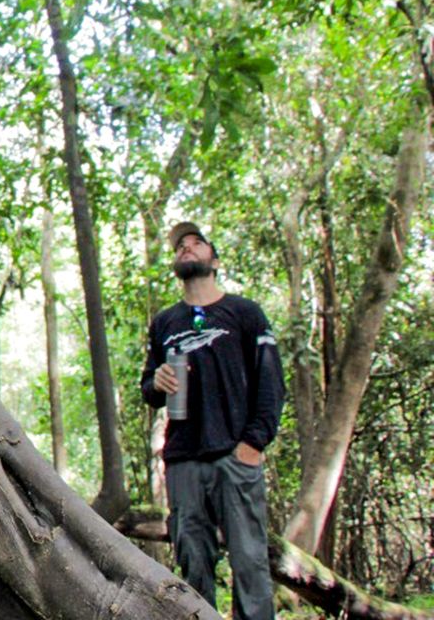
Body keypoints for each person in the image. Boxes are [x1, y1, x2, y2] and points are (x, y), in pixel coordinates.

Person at [141, 221, 285, 620]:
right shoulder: (166, 323)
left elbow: (271, 384)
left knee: (250, 562)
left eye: (195, 243)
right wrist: (157, 380)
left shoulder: (245, 313)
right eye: (179, 246)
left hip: (234, 457)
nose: (186, 248)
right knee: (194, 563)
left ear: (214, 260)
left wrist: (253, 444)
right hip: (184, 459)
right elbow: (148, 388)